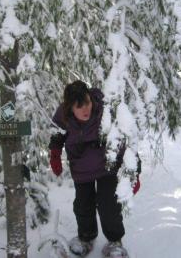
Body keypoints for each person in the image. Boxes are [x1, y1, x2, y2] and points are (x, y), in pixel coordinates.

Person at [48, 80, 141, 257]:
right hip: (81, 170)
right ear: (70, 107)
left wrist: (134, 174)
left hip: (107, 167)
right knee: (83, 205)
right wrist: (54, 154)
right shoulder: (63, 115)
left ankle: (115, 241)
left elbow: (128, 141)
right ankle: (86, 238)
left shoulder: (105, 110)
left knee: (108, 205)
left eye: (87, 103)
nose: (85, 109)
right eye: (79, 106)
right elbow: (56, 134)